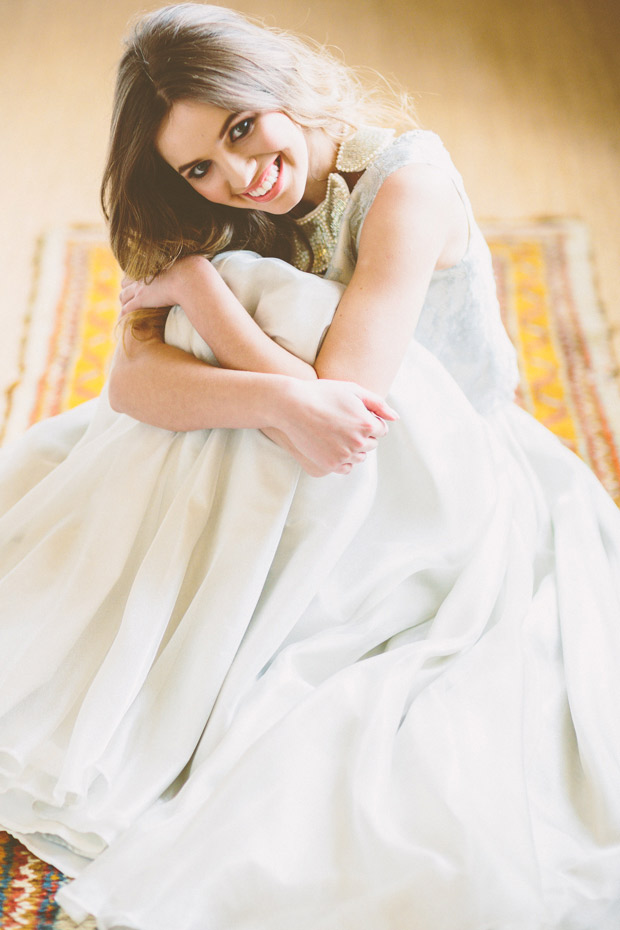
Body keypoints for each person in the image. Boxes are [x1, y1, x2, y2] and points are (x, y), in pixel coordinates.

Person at [1, 3, 619, 929]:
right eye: (199, 167)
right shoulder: (221, 205)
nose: (241, 177)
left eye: (242, 129)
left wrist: (208, 296)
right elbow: (134, 384)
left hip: (433, 472)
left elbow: (352, 403)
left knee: (256, 301)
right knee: (172, 395)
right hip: (310, 441)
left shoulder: (407, 183)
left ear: (281, 88)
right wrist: (266, 390)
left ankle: (217, 629)